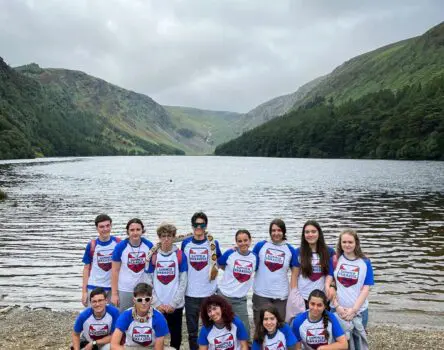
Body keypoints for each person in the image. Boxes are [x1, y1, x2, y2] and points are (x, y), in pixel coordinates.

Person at [326, 229, 374, 349]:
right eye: (344, 242)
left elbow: (366, 288)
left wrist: (354, 310)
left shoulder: (365, 262)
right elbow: (330, 282)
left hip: (359, 311)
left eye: (350, 242)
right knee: (338, 343)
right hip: (337, 309)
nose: (347, 245)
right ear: (340, 243)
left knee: (358, 344)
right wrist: (337, 306)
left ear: (356, 243)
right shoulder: (335, 260)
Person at [181, 212, 222, 350]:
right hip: (190, 293)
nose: (199, 227)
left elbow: (221, 263)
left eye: (202, 224)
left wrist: (234, 251)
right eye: (196, 224)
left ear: (206, 226)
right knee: (192, 332)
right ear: (192, 226)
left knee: (210, 326)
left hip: (209, 293)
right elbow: (181, 265)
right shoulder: (186, 243)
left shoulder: (213, 243)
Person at [146, 223, 188, 350]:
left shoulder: (180, 255)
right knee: (155, 334)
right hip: (158, 304)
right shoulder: (152, 255)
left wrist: (174, 303)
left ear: (173, 237)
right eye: (163, 236)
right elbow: (148, 281)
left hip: (175, 304)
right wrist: (156, 302)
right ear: (159, 237)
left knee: (176, 336)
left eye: (169, 236)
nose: (166, 239)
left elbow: (183, 281)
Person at [252, 218, 298, 323]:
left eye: (279, 230)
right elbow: (249, 264)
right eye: (273, 230)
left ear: (284, 232)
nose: (276, 233)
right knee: (260, 325)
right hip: (261, 294)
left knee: (279, 325)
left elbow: (296, 274)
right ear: (270, 232)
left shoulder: (290, 250)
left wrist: (294, 293)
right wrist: (236, 251)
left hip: (281, 295)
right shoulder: (261, 246)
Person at [217, 229, 258, 339]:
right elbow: (219, 264)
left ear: (250, 241)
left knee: (244, 328)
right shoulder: (230, 253)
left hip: (240, 299)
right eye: (239, 241)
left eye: (245, 240)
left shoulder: (255, 257)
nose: (243, 243)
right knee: (222, 326)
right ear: (236, 242)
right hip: (223, 296)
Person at [111, 218, 153, 312]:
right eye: (132, 230)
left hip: (143, 288)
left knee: (143, 315)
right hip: (125, 288)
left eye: (138, 229)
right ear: (128, 231)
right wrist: (114, 294)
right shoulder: (120, 247)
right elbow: (115, 270)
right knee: (124, 316)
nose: (135, 233)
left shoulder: (149, 245)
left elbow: (153, 269)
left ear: (142, 230)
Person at [110, 283, 169, 349]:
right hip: (130, 348)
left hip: (151, 348)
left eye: (147, 299)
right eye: (140, 300)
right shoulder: (126, 315)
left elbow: (158, 348)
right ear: (134, 300)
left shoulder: (158, 317)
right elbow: (114, 345)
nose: (143, 303)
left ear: (151, 299)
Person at [293, 220, 335, 308]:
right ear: (303, 235)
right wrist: (294, 296)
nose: (310, 234)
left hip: (323, 298)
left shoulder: (329, 252)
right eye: (307, 232)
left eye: (313, 231)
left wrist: (332, 287)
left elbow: (334, 276)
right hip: (303, 298)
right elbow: (294, 276)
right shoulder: (298, 252)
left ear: (319, 233)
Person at [82, 214, 121, 306]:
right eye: (101, 227)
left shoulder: (118, 243)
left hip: (113, 288)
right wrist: (84, 291)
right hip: (94, 286)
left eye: (107, 226)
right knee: (92, 315)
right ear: (97, 228)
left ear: (111, 226)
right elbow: (86, 269)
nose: (105, 229)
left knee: (113, 316)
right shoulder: (92, 245)